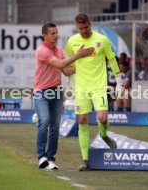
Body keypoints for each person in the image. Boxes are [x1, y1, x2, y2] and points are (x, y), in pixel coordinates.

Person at [66, 13, 124, 171]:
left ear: (90, 24)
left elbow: (112, 59)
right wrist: (70, 83)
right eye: (80, 29)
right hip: (81, 87)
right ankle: (85, 160)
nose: (83, 31)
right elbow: (70, 63)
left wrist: (119, 82)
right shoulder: (72, 42)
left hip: (99, 86)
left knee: (102, 117)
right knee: (82, 120)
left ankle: (104, 135)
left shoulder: (102, 40)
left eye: (86, 27)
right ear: (76, 27)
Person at [33, 22, 94, 170]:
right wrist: (79, 55)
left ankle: (50, 159)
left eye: (56, 33)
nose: (56, 36)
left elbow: (66, 71)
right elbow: (60, 64)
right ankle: (41, 157)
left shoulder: (59, 50)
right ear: (45, 35)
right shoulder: (42, 50)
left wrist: (85, 66)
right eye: (52, 33)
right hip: (41, 92)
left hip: (57, 92)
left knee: (55, 128)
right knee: (44, 121)